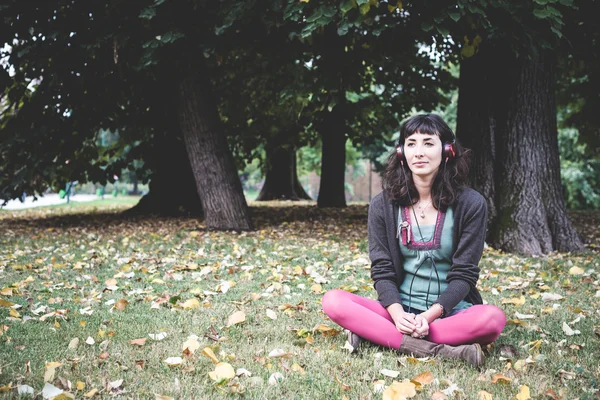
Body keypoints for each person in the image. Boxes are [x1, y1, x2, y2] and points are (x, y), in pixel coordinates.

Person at [322, 114, 506, 368]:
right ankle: (437, 350)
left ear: (448, 150)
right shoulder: (382, 205)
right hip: (397, 308)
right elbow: (383, 270)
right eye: (411, 143)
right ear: (401, 152)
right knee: (333, 301)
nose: (419, 152)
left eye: (428, 143)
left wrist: (429, 317)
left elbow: (464, 275)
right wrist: (398, 315)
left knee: (492, 320)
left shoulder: (471, 204)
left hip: (450, 312)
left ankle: (376, 334)